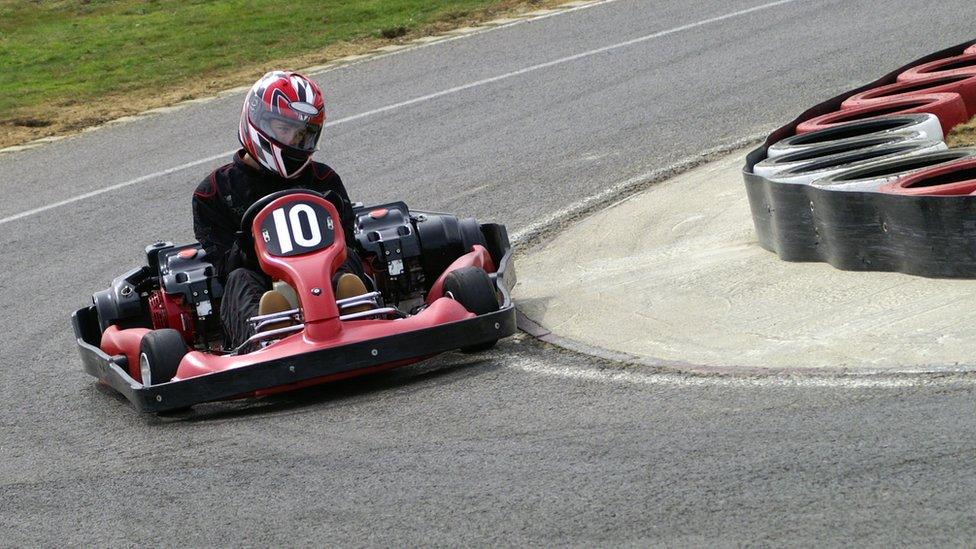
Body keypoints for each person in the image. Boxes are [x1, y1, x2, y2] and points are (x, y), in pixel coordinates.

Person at [192, 70, 369, 349]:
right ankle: (268, 336)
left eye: (302, 134)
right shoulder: (215, 191)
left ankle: (359, 314)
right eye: (283, 129)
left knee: (347, 262)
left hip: (323, 277)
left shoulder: (324, 180)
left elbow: (345, 240)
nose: (292, 141)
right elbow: (225, 266)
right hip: (260, 282)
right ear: (257, 121)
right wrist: (253, 244)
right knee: (239, 280)